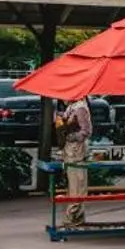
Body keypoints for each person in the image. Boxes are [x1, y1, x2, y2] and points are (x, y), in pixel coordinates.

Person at [55, 94, 94, 226]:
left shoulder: (80, 108)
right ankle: (76, 215)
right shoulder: (72, 107)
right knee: (73, 182)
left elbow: (86, 131)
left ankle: (74, 215)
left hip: (77, 149)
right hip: (70, 150)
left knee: (78, 182)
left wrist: (72, 136)